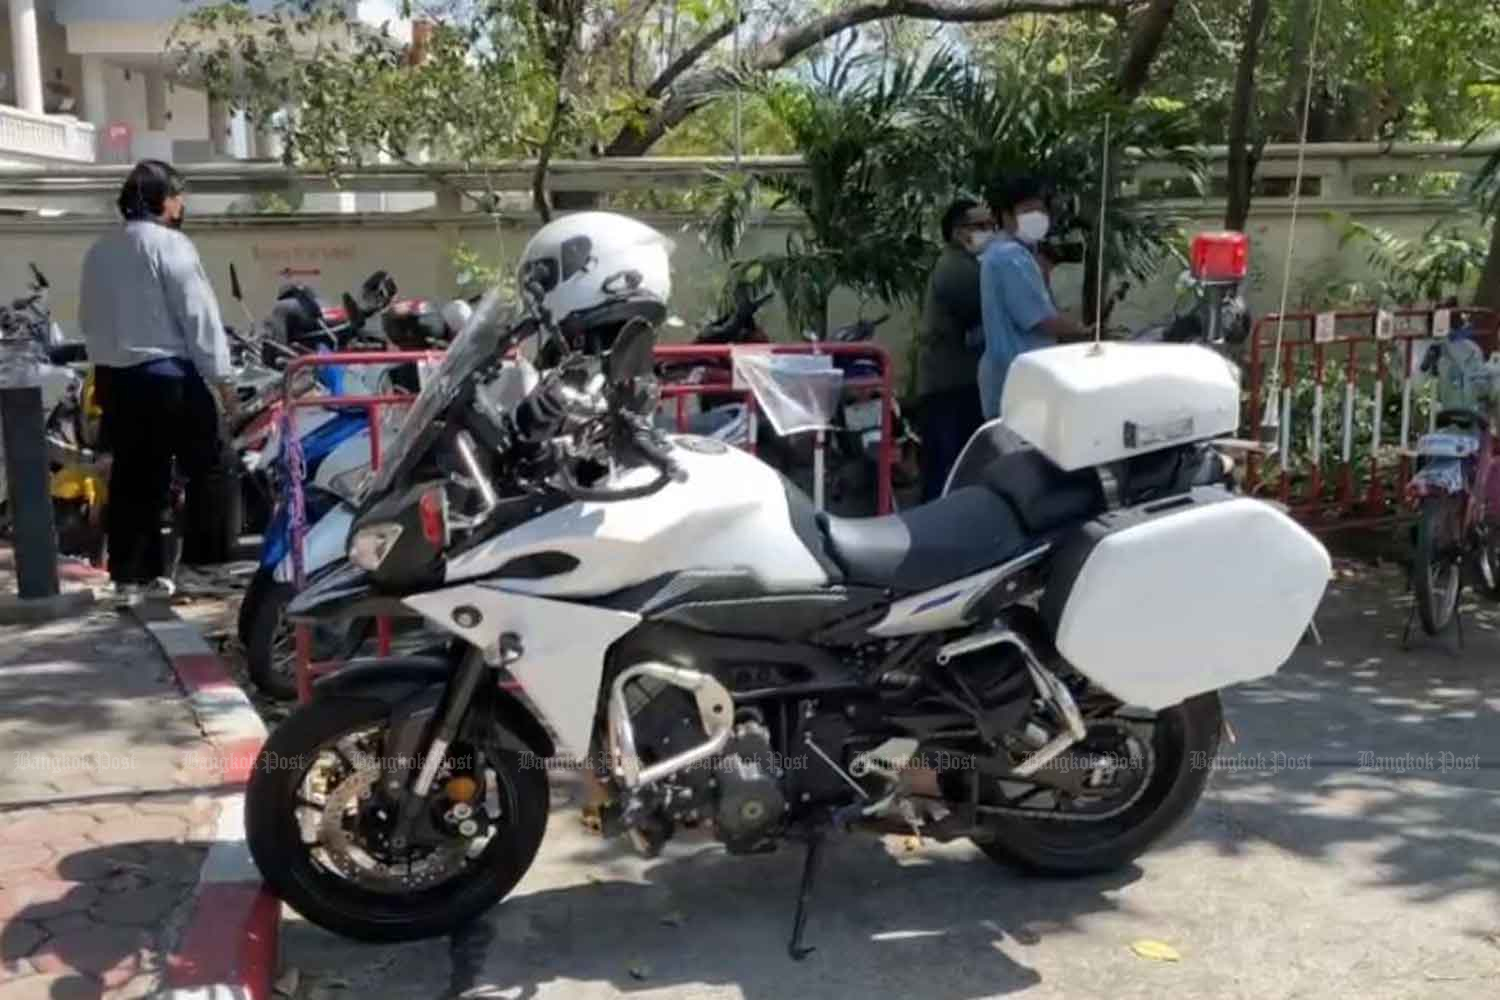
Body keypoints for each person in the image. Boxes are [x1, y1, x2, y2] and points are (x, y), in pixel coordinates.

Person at [79, 159, 237, 605]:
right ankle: (202, 567)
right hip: (167, 376)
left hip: (116, 378)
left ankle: (132, 578)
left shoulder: (100, 250)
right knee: (213, 464)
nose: (181, 203)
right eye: (176, 194)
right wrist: (223, 383)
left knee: (136, 477)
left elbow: (88, 318)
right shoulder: (172, 246)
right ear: (158, 200)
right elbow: (199, 318)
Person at [977, 176, 1090, 420]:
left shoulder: (1008, 252)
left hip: (1016, 375)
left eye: (1040, 209)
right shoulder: (1011, 257)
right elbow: (1040, 318)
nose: (1037, 216)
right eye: (1028, 210)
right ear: (1006, 216)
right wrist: (1084, 331)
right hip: (1020, 377)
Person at [916, 198, 992, 500]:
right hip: (949, 384)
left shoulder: (967, 264)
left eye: (991, 225)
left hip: (956, 382)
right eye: (981, 226)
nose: (990, 232)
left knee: (950, 464)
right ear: (959, 232)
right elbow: (986, 307)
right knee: (951, 467)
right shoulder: (957, 268)